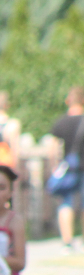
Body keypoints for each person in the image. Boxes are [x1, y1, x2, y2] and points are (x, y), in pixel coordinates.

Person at [48, 86, 84, 252]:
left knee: (66, 203)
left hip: (68, 167)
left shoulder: (61, 122)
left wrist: (54, 166)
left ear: (68, 101)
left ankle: (67, 241)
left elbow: (53, 148)